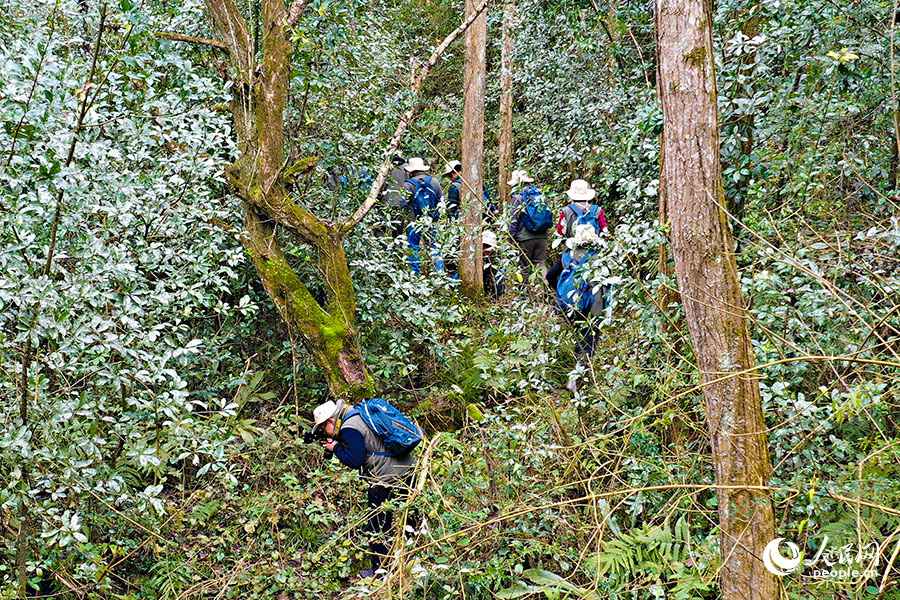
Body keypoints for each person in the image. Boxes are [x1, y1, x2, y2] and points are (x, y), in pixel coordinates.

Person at [311, 399, 418, 578]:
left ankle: (380, 571)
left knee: (377, 525)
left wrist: (336, 447)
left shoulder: (349, 428)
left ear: (330, 421)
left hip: (385, 477)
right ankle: (412, 557)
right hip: (407, 468)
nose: (324, 432)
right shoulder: (357, 413)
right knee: (409, 515)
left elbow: (355, 460)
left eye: (323, 429)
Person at [546, 178, 609, 291]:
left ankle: (561, 302)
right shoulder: (598, 211)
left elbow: (560, 232)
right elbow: (605, 232)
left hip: (573, 253)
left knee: (550, 276)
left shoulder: (566, 211)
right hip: (595, 254)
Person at [403, 157, 445, 274]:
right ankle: (439, 274)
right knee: (435, 247)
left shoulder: (408, 185)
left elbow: (403, 203)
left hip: (414, 222)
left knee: (413, 247)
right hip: (432, 220)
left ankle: (415, 276)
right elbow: (441, 200)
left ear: (410, 171)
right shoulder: (434, 182)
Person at [507, 169, 552, 279]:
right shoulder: (540, 195)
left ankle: (525, 295)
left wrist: (511, 237)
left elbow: (513, 220)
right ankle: (545, 292)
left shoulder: (518, 197)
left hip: (525, 238)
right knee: (540, 264)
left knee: (524, 268)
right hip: (542, 237)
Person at [482, 230, 505, 298]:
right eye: (484, 246)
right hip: (482, 272)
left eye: (488, 246)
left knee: (501, 272)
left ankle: (497, 296)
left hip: (492, 270)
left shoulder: (497, 253)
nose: (486, 249)